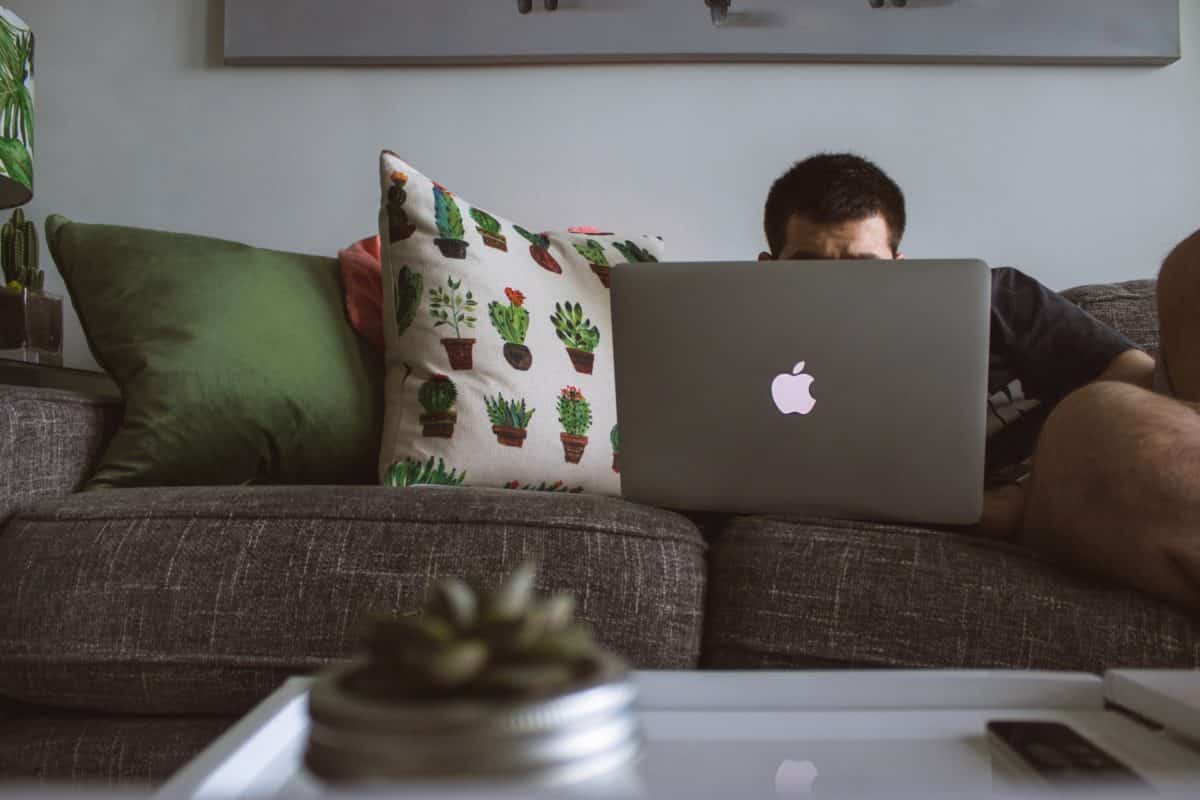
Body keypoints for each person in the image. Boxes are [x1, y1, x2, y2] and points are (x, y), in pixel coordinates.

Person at [761, 153, 1200, 613]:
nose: (839, 295)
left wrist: (1018, 493)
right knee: (1094, 425)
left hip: (1061, 475)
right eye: (809, 269)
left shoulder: (995, 300)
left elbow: (1140, 378)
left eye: (864, 268)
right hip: (1061, 505)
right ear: (768, 270)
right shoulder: (745, 355)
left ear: (899, 264)